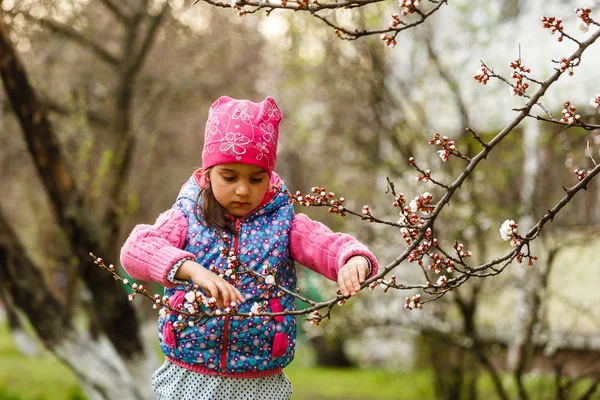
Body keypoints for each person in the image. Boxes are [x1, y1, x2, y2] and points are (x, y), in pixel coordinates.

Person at [120, 95, 378, 400]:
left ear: (269, 178)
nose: (243, 190)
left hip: (260, 380)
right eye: (229, 177)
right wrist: (192, 271)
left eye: (256, 179)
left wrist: (353, 259)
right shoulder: (186, 216)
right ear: (206, 174)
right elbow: (135, 249)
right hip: (188, 372)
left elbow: (328, 245)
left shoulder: (283, 222)